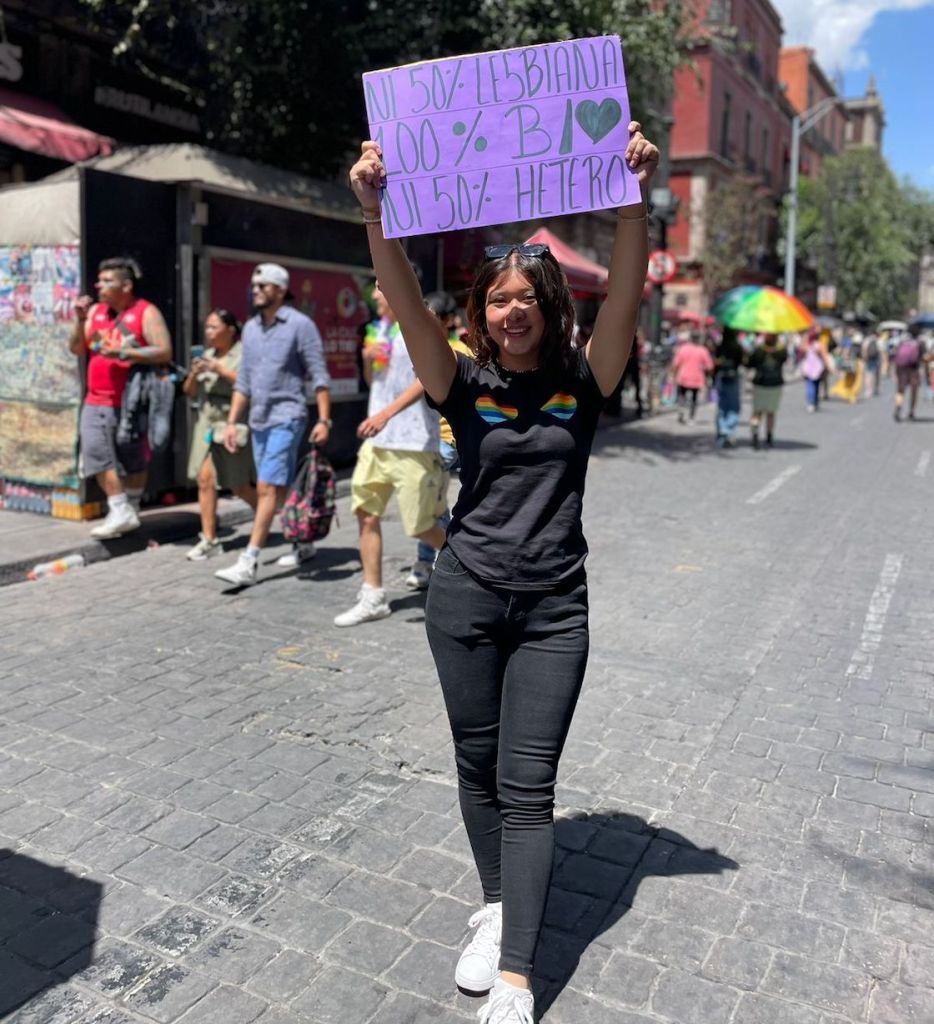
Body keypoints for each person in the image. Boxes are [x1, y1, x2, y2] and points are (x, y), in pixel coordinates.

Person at [349, 121, 657, 1024]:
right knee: (475, 765)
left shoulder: (587, 379)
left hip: (556, 609)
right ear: (479, 311)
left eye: (528, 298)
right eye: (497, 299)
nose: (512, 311)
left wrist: (634, 199)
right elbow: (403, 298)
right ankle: (494, 904)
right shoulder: (457, 382)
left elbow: (629, 294)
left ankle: (517, 974)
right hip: (465, 599)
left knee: (530, 786)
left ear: (552, 308)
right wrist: (376, 216)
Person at [333, 282, 447, 626]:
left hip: (413, 442)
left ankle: (473, 566)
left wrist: (385, 414)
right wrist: (368, 361)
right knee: (366, 513)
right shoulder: (377, 330)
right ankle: (373, 596)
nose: (375, 294)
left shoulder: (421, 322)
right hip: (378, 442)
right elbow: (375, 381)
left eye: (381, 286)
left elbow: (427, 378)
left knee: (420, 526)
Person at [214, 263, 331, 585]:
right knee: (277, 490)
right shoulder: (250, 329)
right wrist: (231, 422)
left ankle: (248, 561)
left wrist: (324, 419)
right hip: (258, 420)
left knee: (266, 488)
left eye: (263, 286)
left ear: (280, 290)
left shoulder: (300, 325)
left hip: (287, 416)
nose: (256, 291)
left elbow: (319, 375)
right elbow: (245, 382)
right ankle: (302, 541)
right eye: (254, 286)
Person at [68, 257, 172, 539]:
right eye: (99, 281)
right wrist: (79, 320)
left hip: (132, 401)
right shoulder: (97, 312)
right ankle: (119, 506)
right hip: (96, 399)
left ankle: (131, 508)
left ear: (125, 286)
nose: (98, 286)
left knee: (133, 458)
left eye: (106, 281)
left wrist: (126, 353)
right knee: (95, 453)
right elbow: (77, 348)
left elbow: (164, 351)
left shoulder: (145, 312)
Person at [407, 290, 473, 590]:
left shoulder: (460, 351)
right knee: (430, 499)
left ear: (447, 321)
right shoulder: (417, 348)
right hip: (426, 440)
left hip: (450, 441)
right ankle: (431, 557)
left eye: (432, 316)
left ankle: (441, 555)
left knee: (424, 496)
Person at [183, 309, 257, 560]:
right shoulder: (207, 355)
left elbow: (250, 384)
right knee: (205, 479)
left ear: (230, 330)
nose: (209, 333)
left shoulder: (244, 354)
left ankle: (266, 514)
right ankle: (209, 537)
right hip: (206, 422)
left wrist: (220, 370)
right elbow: (189, 391)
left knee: (238, 485)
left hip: (230, 422)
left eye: (214, 327)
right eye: (207, 328)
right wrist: (195, 373)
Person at [746, 334, 787, 449]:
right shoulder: (781, 351)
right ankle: (769, 437)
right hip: (775, 384)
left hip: (760, 383)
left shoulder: (759, 350)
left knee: (757, 411)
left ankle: (755, 434)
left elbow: (749, 363)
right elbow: (784, 359)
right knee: (771, 412)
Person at [671, 329, 714, 423]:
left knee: (682, 395)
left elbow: (675, 364)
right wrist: (708, 376)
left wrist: (674, 376)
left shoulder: (683, 348)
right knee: (694, 398)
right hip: (696, 378)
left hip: (683, 377)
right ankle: (691, 417)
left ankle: (681, 410)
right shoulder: (703, 350)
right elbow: (710, 366)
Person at [713, 327, 744, 446]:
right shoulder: (737, 347)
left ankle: (722, 429)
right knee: (733, 405)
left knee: (722, 405)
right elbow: (741, 362)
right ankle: (729, 431)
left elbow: (716, 363)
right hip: (733, 376)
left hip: (721, 376)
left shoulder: (720, 347)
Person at [892, 325, 927, 421]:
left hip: (901, 368)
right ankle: (911, 411)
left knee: (900, 390)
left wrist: (894, 372)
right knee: (914, 390)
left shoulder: (903, 341)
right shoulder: (920, 342)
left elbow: (896, 356)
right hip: (914, 369)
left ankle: (898, 407)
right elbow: (924, 357)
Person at [800, 332, 833, 412]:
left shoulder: (806, 345)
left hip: (808, 367)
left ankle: (811, 403)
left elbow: (801, 355)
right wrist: (828, 367)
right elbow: (824, 357)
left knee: (810, 385)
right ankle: (814, 402)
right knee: (816, 385)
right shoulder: (820, 345)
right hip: (818, 368)